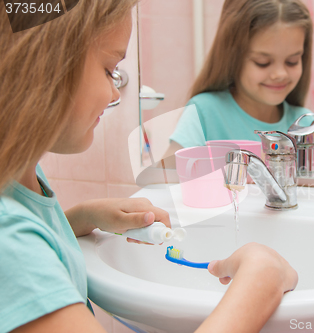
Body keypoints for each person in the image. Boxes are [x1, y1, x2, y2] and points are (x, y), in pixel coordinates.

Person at [0, 1, 297, 333]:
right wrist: (260, 283)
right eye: (109, 70)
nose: (115, 91)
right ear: (43, 65)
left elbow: (36, 244)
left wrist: (78, 218)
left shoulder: (19, 180)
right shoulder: (8, 242)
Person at [167, 0, 314, 181]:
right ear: (232, 57)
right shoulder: (204, 111)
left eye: (292, 61)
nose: (280, 73)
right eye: (263, 62)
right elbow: (165, 178)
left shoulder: (304, 124)